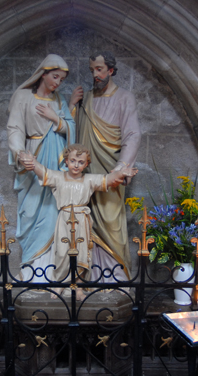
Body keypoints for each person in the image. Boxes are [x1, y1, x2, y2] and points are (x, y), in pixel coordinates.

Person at [19, 144, 137, 298]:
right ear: (66, 161)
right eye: (73, 160)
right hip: (64, 219)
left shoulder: (89, 180)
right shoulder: (59, 177)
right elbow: (44, 172)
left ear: (86, 164)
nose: (76, 165)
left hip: (82, 220)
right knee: (62, 252)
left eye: (81, 162)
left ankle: (79, 286)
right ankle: (60, 284)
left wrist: (121, 173)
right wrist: (32, 164)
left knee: (82, 253)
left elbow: (108, 179)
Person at [69, 51, 141, 282]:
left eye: (99, 69)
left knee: (111, 223)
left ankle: (115, 278)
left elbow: (132, 134)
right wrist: (72, 106)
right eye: (92, 70)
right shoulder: (86, 99)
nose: (95, 74)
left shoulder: (124, 98)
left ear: (110, 70)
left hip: (111, 172)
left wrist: (121, 167)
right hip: (84, 174)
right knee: (83, 224)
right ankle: (89, 276)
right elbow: (73, 132)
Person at [8, 54, 75, 281]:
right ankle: (31, 267)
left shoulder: (59, 100)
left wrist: (56, 119)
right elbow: (15, 128)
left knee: (55, 213)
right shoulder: (23, 96)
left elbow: (72, 129)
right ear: (43, 74)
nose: (57, 82)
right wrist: (20, 154)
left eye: (62, 79)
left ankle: (53, 269)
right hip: (33, 157)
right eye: (55, 76)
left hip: (57, 161)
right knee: (30, 213)